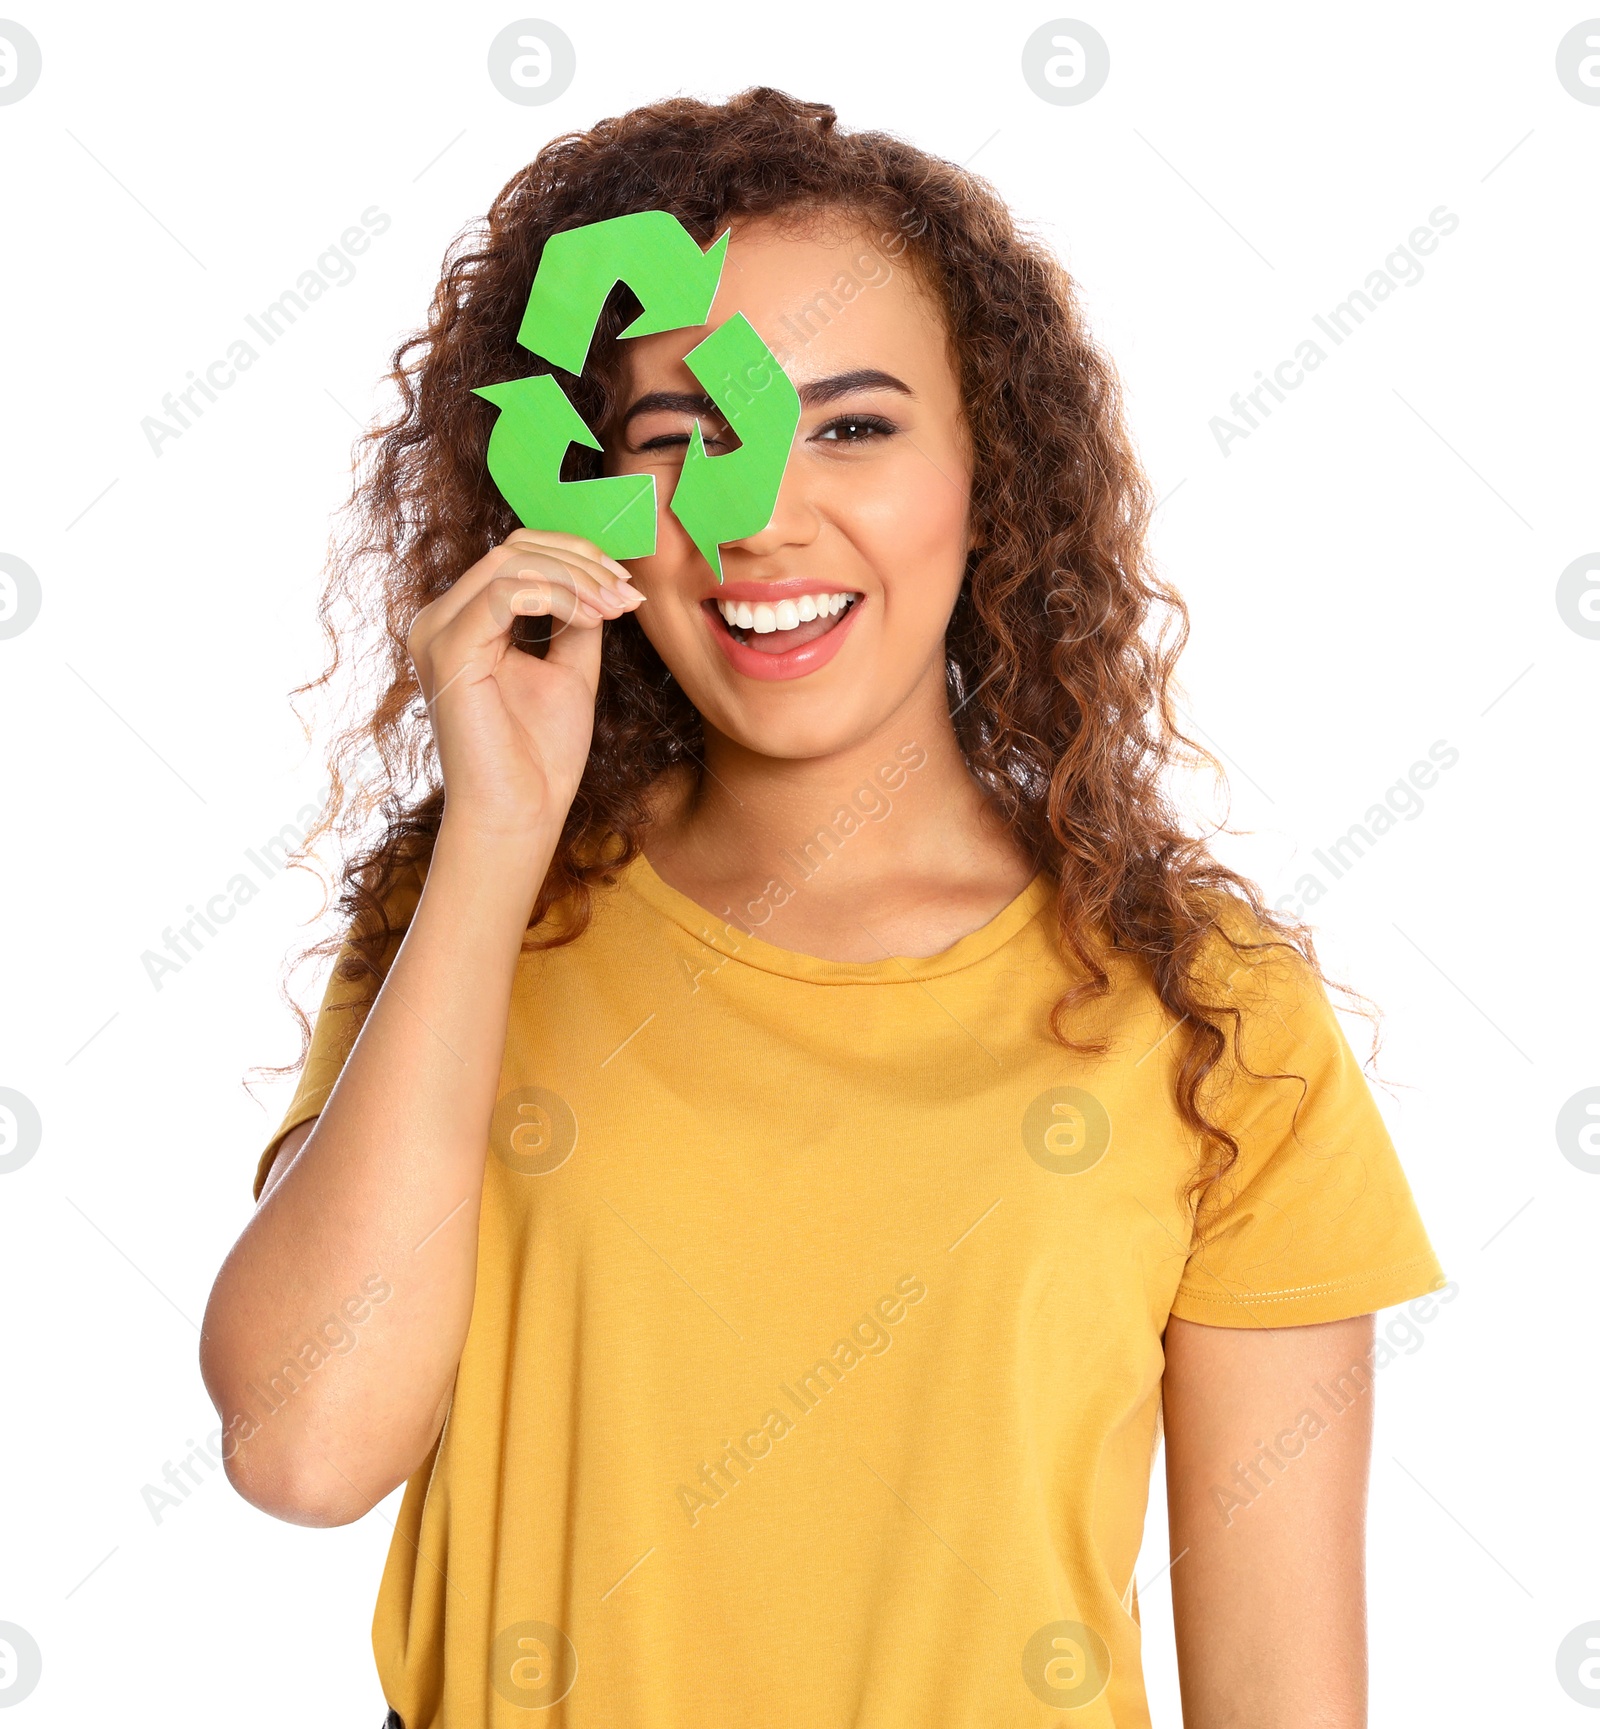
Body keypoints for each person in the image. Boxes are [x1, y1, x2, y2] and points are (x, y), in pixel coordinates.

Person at [200, 87, 1445, 1729]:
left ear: (988, 474)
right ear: (584, 497)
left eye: (851, 426)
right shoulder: (481, 927)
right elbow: (303, 1441)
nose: (764, 516)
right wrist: (499, 835)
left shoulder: (1209, 1011)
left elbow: (1285, 1695)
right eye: (681, 439)